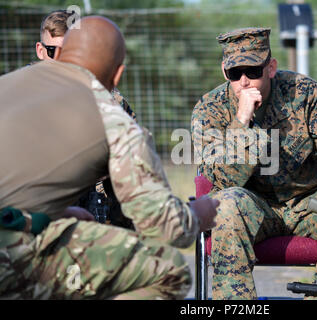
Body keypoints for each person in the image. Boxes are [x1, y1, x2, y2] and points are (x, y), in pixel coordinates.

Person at [0, 16, 218, 299]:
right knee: (168, 269)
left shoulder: (9, 84)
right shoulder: (113, 119)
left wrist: (58, 214)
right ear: (117, 75)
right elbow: (166, 227)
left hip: (17, 223)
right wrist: (197, 216)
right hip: (10, 255)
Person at [191, 27, 317, 300]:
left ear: (271, 68)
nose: (244, 82)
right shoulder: (211, 109)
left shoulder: (305, 95)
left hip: (308, 201)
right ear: (224, 72)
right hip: (253, 204)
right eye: (235, 73)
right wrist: (241, 122)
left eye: (253, 71)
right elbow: (222, 182)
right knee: (226, 206)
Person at [35, 10, 136, 228]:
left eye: (70, 52)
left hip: (99, 209)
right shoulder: (20, 95)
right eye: (55, 52)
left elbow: (131, 164)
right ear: (41, 51)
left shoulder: (110, 99)